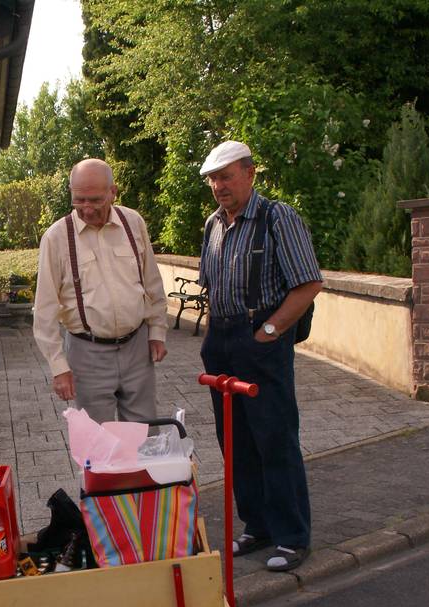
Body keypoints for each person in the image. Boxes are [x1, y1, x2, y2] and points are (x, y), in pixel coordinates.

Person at [197, 141, 323, 572]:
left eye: (227, 176)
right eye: (214, 179)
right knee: (235, 442)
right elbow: (211, 289)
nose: (219, 186)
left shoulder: (276, 217)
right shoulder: (213, 225)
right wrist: (213, 336)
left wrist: (269, 332)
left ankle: (292, 536)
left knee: (275, 438)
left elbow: (307, 284)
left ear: (250, 173)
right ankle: (258, 526)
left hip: (261, 336)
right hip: (223, 339)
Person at [32, 158, 169, 422]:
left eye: (95, 200)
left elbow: (152, 282)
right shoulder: (57, 237)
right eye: (79, 200)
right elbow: (45, 309)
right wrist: (59, 367)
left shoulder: (133, 223)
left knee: (144, 436)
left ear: (112, 192)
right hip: (87, 354)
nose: (87, 208)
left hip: (137, 348)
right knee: (98, 443)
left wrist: (157, 331)